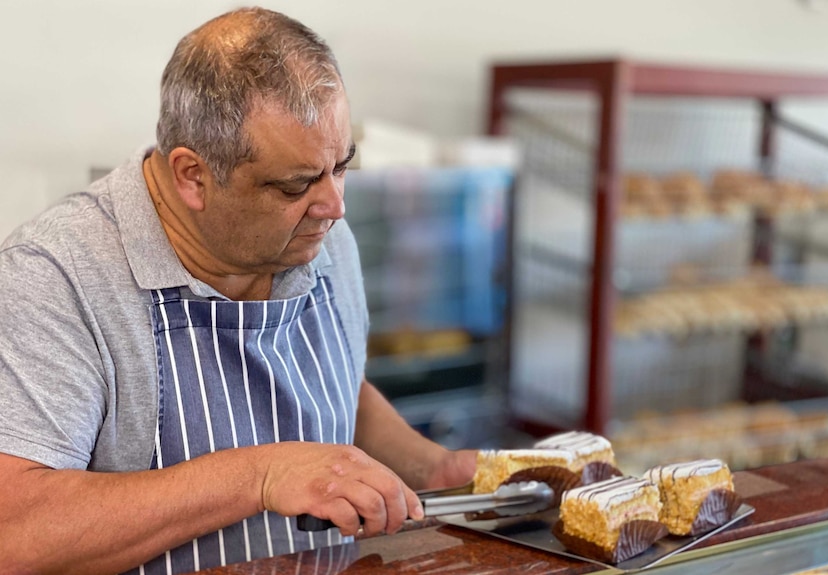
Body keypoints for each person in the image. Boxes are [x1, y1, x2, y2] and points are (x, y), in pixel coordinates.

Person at [0, 7, 477, 575]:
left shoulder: (324, 236)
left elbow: (330, 388)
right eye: (295, 184)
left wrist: (434, 468)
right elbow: (18, 534)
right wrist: (260, 476)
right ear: (192, 176)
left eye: (341, 166)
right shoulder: (54, 279)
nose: (334, 206)